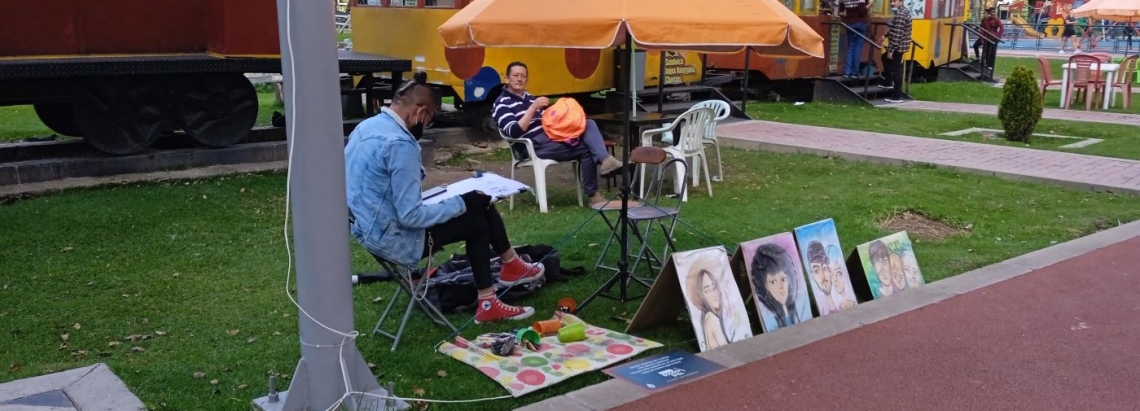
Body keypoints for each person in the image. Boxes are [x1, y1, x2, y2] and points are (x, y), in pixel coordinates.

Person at [345, 74, 546, 324]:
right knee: (477, 220)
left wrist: (451, 199)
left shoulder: (368, 126)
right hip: (395, 240)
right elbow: (411, 216)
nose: (426, 126)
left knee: (477, 206)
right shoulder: (400, 144)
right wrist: (462, 202)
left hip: (369, 229)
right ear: (420, 113)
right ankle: (489, 299)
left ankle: (509, 267)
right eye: (429, 121)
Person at [492, 61, 624, 206]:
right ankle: (595, 189)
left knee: (587, 123)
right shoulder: (501, 103)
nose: (519, 79)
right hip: (532, 146)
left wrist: (562, 116)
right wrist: (533, 107)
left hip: (552, 137)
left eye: (523, 76)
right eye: (515, 75)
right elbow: (514, 131)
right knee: (587, 148)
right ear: (507, 78)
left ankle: (605, 160)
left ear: (527, 79)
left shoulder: (528, 97)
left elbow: (547, 120)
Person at [750, 243, 806, 330]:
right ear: (766, 286)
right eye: (773, 282)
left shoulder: (801, 306)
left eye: (783, 279)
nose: (781, 287)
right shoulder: (769, 319)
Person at [882, 0, 912, 103]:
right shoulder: (902, 12)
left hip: (898, 46)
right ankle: (888, 83)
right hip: (901, 44)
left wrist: (891, 50)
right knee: (887, 60)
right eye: (891, 1)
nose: (892, 4)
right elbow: (895, 29)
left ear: (900, 2)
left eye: (894, 1)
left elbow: (897, 34)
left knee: (896, 69)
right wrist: (885, 35)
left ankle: (897, 95)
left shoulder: (900, 15)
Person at [839, 0, 871, 78]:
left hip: (850, 24)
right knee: (858, 48)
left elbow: (842, 11)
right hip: (861, 24)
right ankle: (854, 72)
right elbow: (862, 10)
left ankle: (847, 72)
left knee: (851, 47)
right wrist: (870, 4)